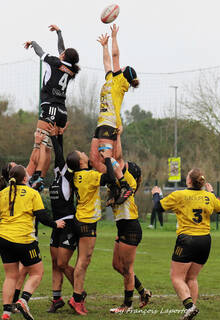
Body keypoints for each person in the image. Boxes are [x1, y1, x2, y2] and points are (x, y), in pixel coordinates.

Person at [152, 169, 220, 320]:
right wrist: (211, 194)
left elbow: (158, 207)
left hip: (188, 239)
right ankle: (192, 310)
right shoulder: (208, 196)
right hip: (205, 240)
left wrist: (156, 194)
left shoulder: (180, 195)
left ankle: (190, 307)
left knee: (176, 277)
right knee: (192, 278)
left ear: (189, 181)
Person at [0, 165, 65, 320]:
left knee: (10, 276)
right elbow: (42, 216)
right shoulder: (32, 193)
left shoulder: (2, 194)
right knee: (37, 272)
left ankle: (6, 313)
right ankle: (23, 300)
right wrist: (56, 224)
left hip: (4, 239)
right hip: (24, 240)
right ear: (24, 179)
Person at [24, 24, 80, 189]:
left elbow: (40, 52)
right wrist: (59, 33)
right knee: (47, 147)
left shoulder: (54, 62)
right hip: (62, 112)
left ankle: (37, 177)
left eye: (62, 53)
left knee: (41, 144)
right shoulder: (72, 69)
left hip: (50, 107)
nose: (60, 52)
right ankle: (39, 177)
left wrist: (32, 42)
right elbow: (62, 50)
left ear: (63, 56)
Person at [89, 24, 139, 205]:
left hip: (110, 122)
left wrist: (114, 37)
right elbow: (107, 62)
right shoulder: (111, 78)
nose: (119, 66)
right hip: (101, 123)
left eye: (122, 67)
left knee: (108, 158)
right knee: (95, 160)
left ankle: (123, 185)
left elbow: (115, 57)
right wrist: (103, 46)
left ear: (124, 74)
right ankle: (115, 184)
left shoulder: (120, 82)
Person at [66, 149, 117, 315]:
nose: (83, 152)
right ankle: (76, 298)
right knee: (83, 261)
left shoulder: (77, 175)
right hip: (87, 222)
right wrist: (108, 160)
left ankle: (78, 297)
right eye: (81, 153)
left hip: (81, 219)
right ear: (81, 162)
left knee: (84, 261)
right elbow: (110, 178)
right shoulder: (89, 175)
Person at [110, 161, 152, 313]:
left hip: (130, 228)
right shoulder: (119, 183)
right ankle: (143, 292)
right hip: (122, 229)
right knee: (117, 265)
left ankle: (127, 305)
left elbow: (117, 163)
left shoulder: (130, 182)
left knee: (127, 269)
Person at [47, 126, 78, 313]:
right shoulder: (59, 174)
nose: (58, 164)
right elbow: (60, 155)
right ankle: (56, 299)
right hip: (56, 224)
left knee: (62, 263)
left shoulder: (68, 176)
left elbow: (60, 154)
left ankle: (79, 292)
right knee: (54, 263)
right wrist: (59, 134)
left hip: (68, 223)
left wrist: (54, 136)